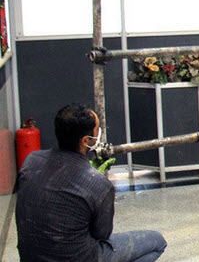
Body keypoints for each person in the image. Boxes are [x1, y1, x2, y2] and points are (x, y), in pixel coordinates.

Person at [16, 104, 167, 262]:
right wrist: (94, 182)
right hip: (80, 258)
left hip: (30, 257)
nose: (98, 133)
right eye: (97, 130)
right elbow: (102, 234)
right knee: (157, 242)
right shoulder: (99, 184)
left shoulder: (32, 160)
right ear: (85, 140)